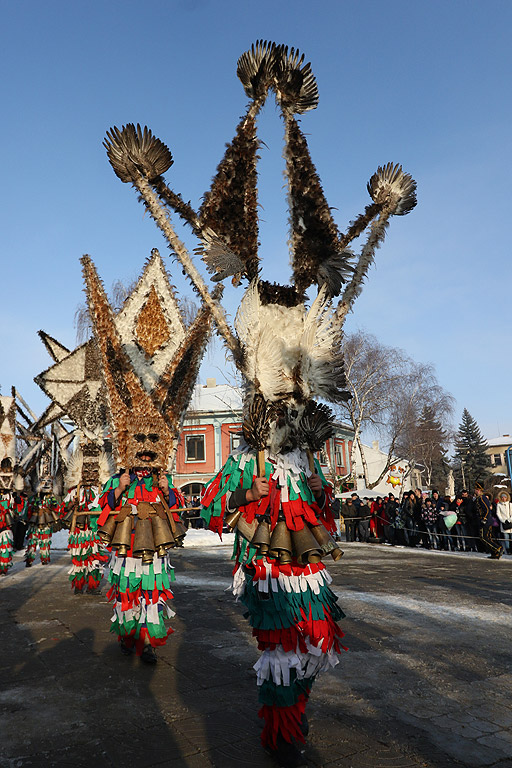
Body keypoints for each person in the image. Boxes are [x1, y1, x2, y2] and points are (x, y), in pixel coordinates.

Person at [474, 483, 503, 559]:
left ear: (479, 490)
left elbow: (486, 509)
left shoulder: (482, 498)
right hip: (485, 520)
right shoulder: (479, 498)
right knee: (488, 537)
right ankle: (495, 553)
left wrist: (484, 518)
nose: (475, 491)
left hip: (485, 520)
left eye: (476, 489)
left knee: (483, 537)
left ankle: (497, 548)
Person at [496, 491, 512, 555]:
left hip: (510, 523)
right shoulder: (499, 505)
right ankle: (508, 550)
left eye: (505, 497)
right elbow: (498, 513)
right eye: (502, 497)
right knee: (506, 538)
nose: (503, 498)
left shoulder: (510, 504)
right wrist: (503, 520)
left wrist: (509, 520)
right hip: (504, 524)